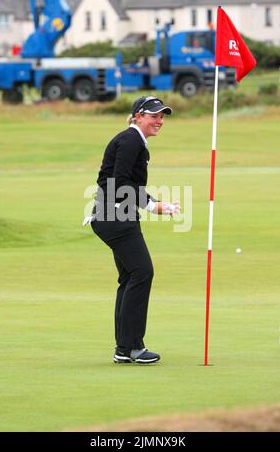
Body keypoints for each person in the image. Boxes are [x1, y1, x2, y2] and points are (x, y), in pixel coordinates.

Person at [87, 96, 180, 364]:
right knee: (142, 272)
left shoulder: (134, 140)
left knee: (130, 276)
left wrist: (151, 204)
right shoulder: (130, 140)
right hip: (114, 216)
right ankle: (133, 347)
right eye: (154, 116)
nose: (159, 121)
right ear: (138, 116)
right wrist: (153, 206)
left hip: (115, 214)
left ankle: (124, 349)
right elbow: (120, 182)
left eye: (162, 116)